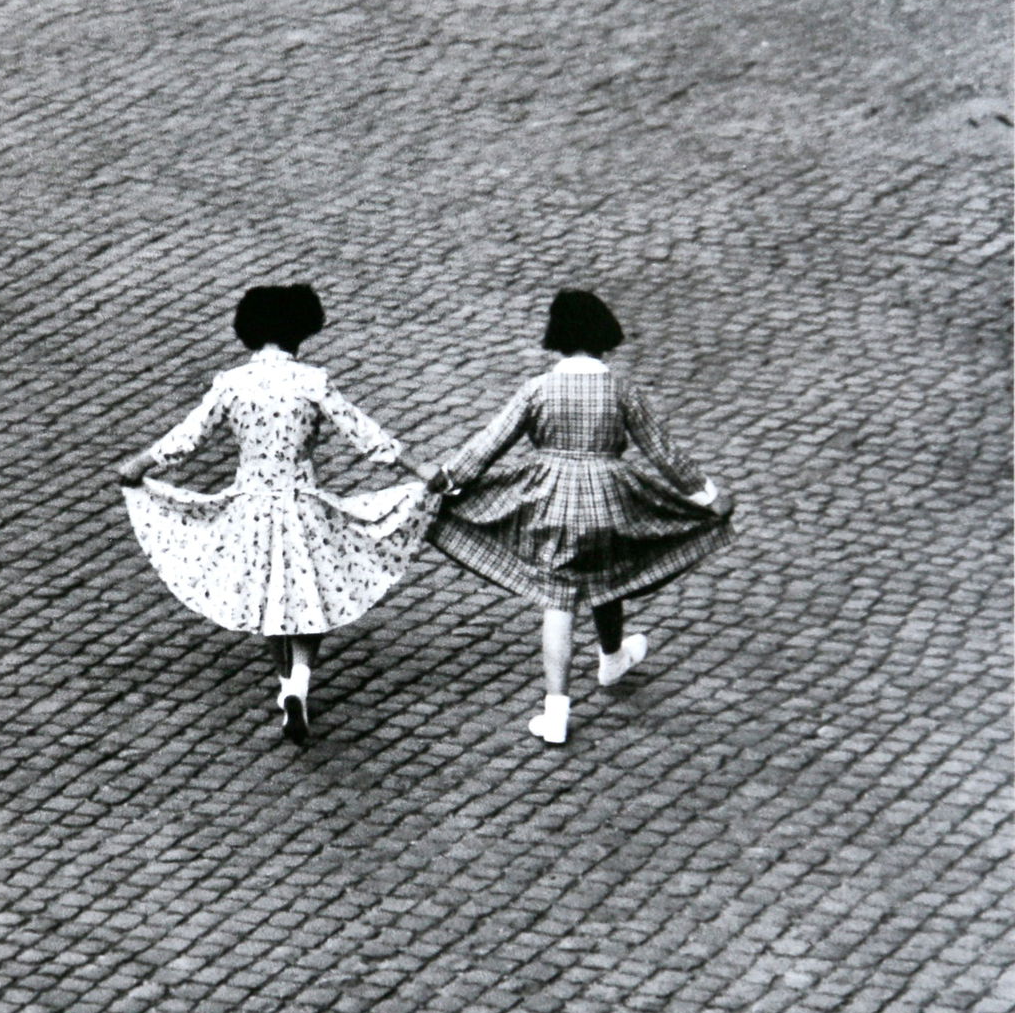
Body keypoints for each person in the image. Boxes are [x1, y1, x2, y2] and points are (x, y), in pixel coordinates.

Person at [115, 284, 436, 744]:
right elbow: (368, 438)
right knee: (307, 592)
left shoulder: (231, 384)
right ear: (301, 330)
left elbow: (186, 439)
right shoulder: (312, 382)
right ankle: (300, 682)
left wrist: (139, 465)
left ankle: (285, 685)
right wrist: (420, 468)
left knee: (269, 592)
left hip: (250, 504)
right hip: (301, 501)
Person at [425, 289, 735, 744]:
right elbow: (662, 451)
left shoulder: (538, 389)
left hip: (549, 500)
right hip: (610, 501)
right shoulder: (621, 390)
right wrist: (707, 495)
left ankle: (556, 713)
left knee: (559, 600)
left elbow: (489, 445)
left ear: (557, 337)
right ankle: (611, 658)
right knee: (606, 576)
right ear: (604, 334)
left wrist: (447, 481)